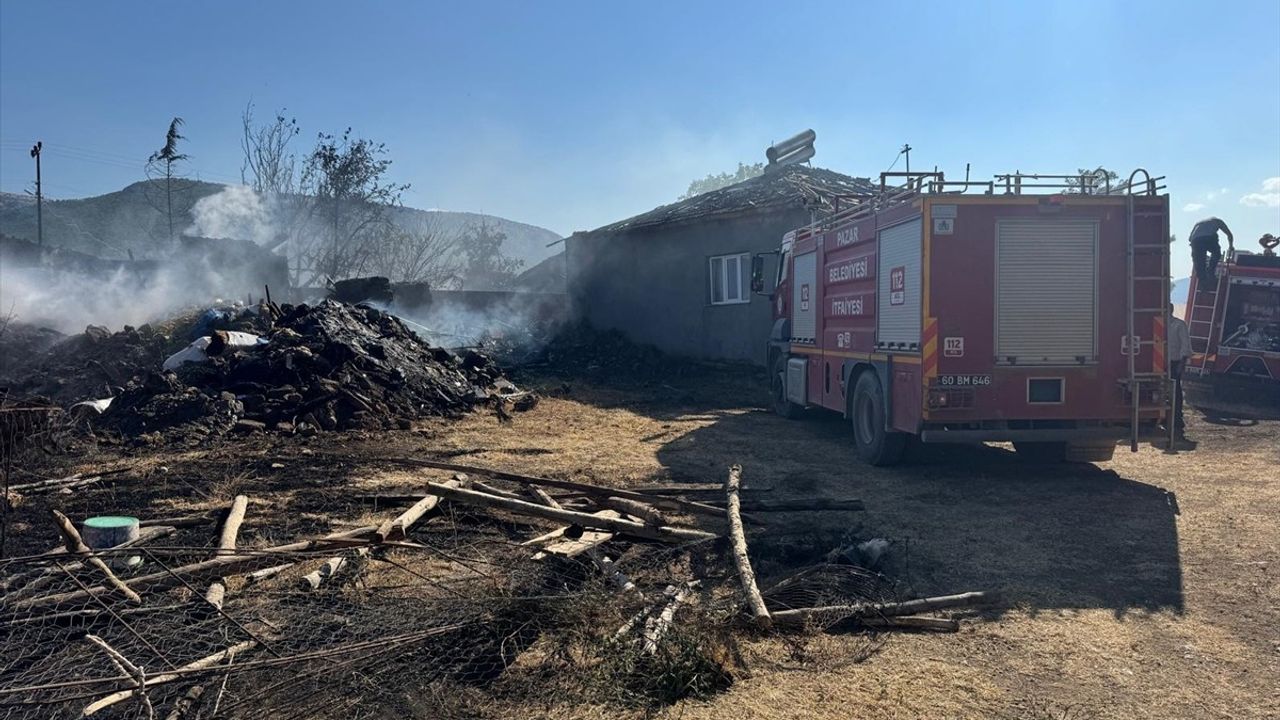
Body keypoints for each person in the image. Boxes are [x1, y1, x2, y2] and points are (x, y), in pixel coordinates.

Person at [1167, 303, 1193, 437]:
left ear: (1171, 310)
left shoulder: (1179, 325)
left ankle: (1176, 418)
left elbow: (1185, 346)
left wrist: (1181, 365)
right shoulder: (1158, 324)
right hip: (1160, 364)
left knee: (1175, 391)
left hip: (1174, 363)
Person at [1189, 217, 1234, 286]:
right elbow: (1229, 234)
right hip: (1207, 238)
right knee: (1216, 252)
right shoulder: (1218, 221)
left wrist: (1196, 249)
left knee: (1199, 262)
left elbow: (1190, 238)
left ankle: (1203, 282)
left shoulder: (1199, 223)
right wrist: (1231, 246)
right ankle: (1210, 271)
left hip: (1195, 240)